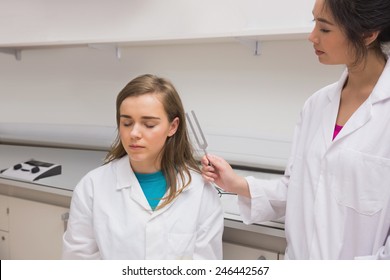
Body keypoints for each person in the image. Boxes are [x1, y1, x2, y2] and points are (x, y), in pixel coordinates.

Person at [202, 0, 390, 260]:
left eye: (324, 29)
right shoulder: (316, 105)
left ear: (368, 34)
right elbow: (298, 192)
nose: (312, 37)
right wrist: (236, 184)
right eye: (315, 23)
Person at [63, 74, 224, 259]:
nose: (134, 133)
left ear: (173, 127)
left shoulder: (201, 191)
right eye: (126, 123)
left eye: (149, 124)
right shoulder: (92, 186)